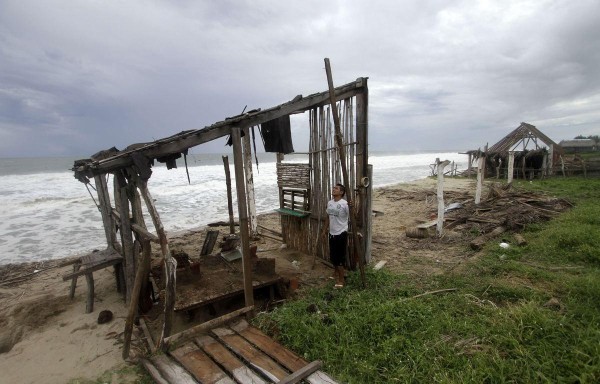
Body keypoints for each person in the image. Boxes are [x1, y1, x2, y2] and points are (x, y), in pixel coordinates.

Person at [321, 183, 350, 288]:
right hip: (332, 233)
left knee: (340, 258)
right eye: (333, 188)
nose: (333, 189)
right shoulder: (330, 203)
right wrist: (324, 230)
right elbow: (328, 217)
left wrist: (352, 207)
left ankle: (341, 280)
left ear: (341, 192)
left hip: (341, 233)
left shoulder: (345, 204)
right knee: (333, 256)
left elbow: (353, 215)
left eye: (336, 188)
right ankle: (336, 273)